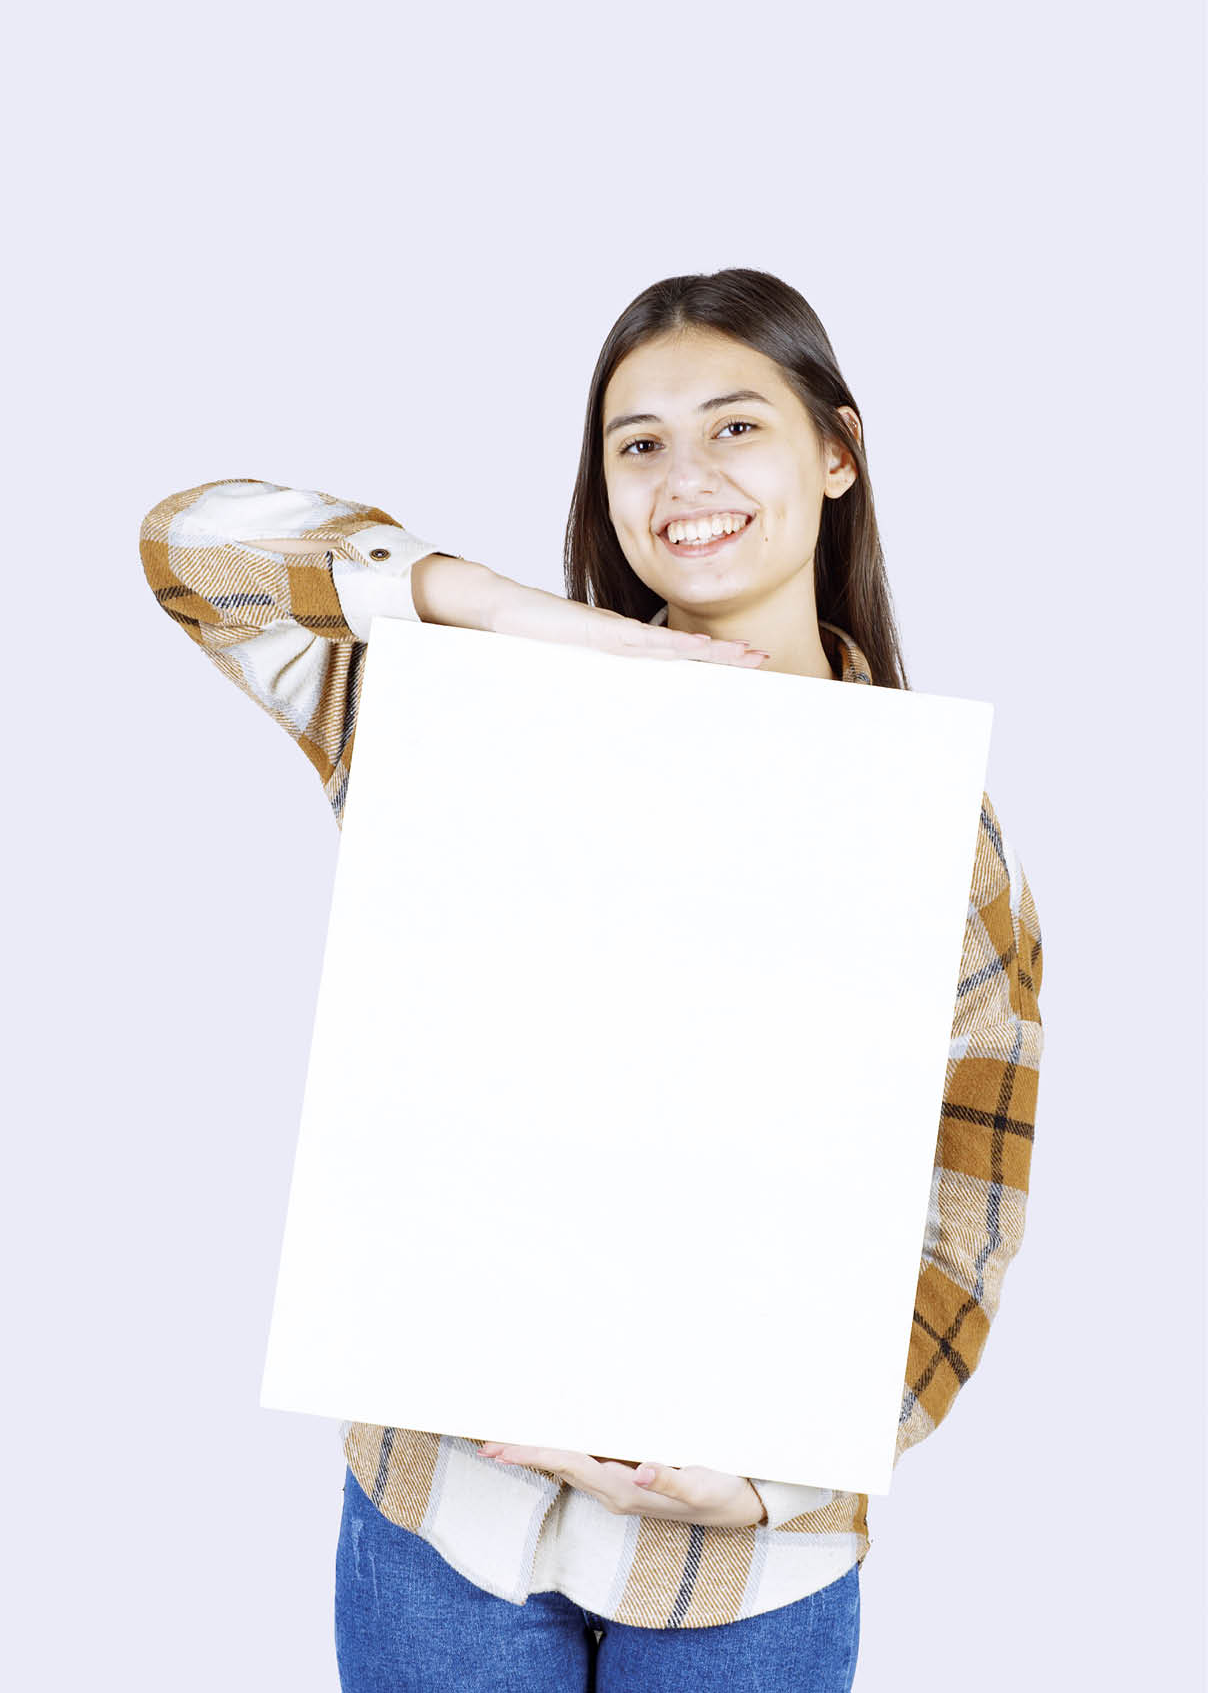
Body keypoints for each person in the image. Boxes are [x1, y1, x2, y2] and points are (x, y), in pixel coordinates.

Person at [139, 266, 1044, 1692]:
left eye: (736, 426)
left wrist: (766, 1487)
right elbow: (189, 543)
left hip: (750, 1566)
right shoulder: (469, 716)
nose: (686, 476)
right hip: (448, 1519)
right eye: (638, 442)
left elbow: (968, 1208)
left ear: (836, 449)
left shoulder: (933, 820)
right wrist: (512, 619)